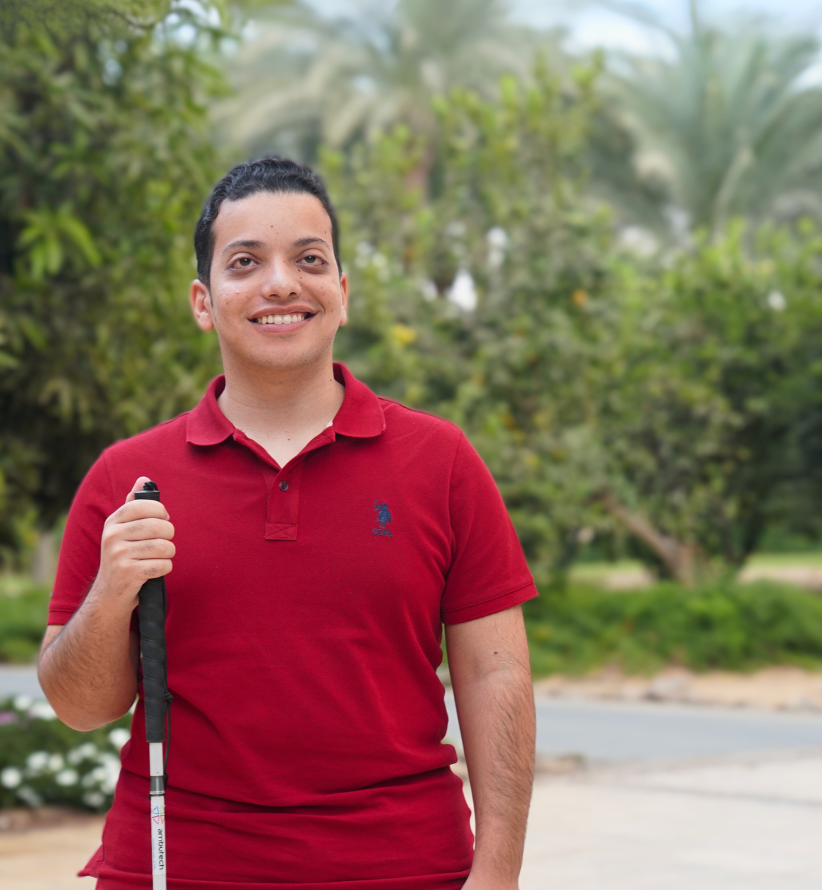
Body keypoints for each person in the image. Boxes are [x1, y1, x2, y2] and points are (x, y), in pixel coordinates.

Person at [38, 156, 536, 890]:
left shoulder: (442, 461)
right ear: (204, 302)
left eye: (309, 259)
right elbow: (80, 708)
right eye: (246, 262)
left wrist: (497, 878)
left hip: (405, 869)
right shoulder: (126, 479)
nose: (280, 283)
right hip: (179, 871)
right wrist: (113, 589)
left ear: (342, 291)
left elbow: (496, 676)